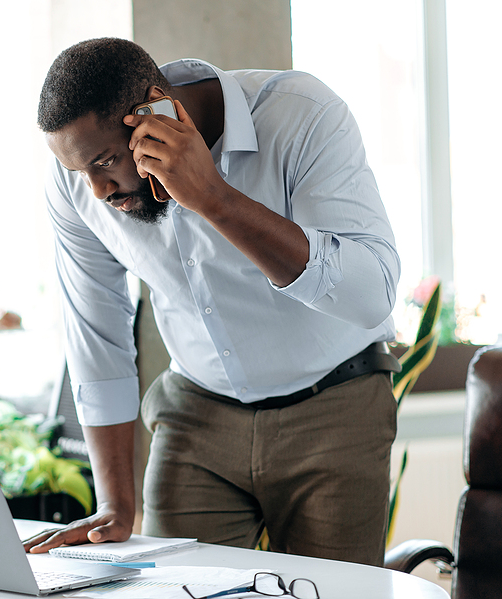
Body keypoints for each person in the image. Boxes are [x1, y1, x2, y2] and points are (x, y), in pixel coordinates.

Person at [23, 38, 401, 567]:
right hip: (196, 415)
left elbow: (371, 293)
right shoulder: (80, 185)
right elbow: (97, 329)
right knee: (172, 586)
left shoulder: (301, 115)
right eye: (77, 170)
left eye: (106, 161)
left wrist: (213, 197)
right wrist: (113, 500)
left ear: (153, 111)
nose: (98, 190)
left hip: (334, 407)